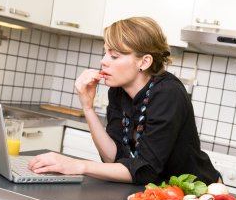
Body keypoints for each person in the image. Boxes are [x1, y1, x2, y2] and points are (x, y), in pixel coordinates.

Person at [28, 17, 221, 185]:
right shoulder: (118, 92)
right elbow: (113, 158)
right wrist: (87, 108)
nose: (104, 61)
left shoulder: (168, 93)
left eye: (114, 55)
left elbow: (145, 170)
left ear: (144, 62)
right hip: (156, 193)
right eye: (105, 52)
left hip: (198, 193)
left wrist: (77, 165)